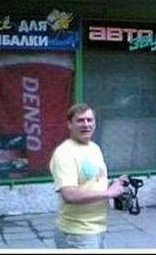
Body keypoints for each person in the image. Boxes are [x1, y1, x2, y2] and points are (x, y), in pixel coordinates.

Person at [49, 103, 127, 249]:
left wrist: (115, 184)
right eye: (80, 120)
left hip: (98, 228)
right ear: (69, 124)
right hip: (77, 233)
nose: (86, 124)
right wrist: (109, 193)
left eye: (89, 120)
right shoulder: (64, 153)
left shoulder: (94, 148)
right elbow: (69, 194)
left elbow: (94, 181)